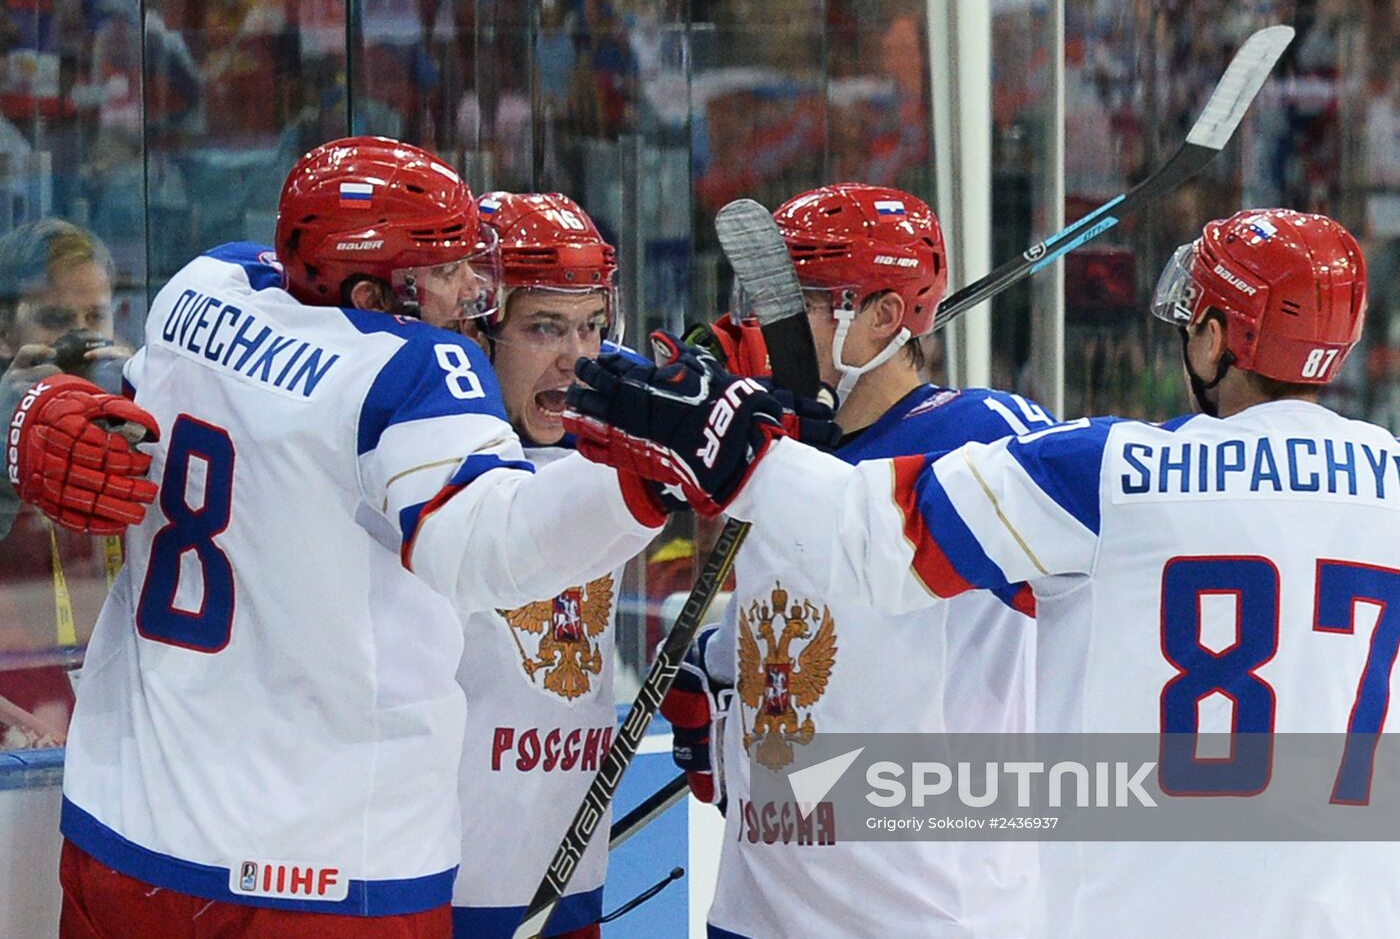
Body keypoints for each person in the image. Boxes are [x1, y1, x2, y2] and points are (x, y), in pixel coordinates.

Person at [564, 208, 1400, 938]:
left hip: (1141, 912)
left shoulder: (1114, 471)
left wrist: (732, 449)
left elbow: (879, 535)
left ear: (1218, 336)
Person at [10, 136, 671, 939]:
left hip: (125, 829)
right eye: (445, 271)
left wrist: (24, 412)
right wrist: (655, 469)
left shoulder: (205, 285)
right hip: (320, 872)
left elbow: (123, 399)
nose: (472, 292)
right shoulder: (415, 374)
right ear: (373, 294)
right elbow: (494, 543)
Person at [659, 184, 1040, 938]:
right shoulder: (782, 445)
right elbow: (801, 619)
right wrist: (717, 664)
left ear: (884, 317)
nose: (768, 327)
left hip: (919, 912)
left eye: (797, 300)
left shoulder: (980, 436)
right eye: (764, 299)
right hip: (759, 907)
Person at [448, 190, 631, 939]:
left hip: (566, 880)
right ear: (476, 331)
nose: (576, 357)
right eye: (544, 328)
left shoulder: (610, 438)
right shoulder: (422, 454)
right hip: (431, 887)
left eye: (592, 326)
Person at [0, 220, 129, 750]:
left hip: (113, 693)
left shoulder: (134, 417)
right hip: (20, 702)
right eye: (55, 320)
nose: (79, 338)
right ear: (5, 328)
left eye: (93, 317)